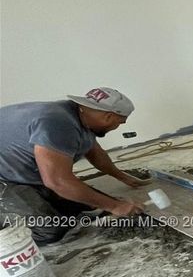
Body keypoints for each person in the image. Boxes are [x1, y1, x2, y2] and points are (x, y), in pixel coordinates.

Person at [0, 87, 147, 244]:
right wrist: (115, 207)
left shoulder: (80, 117)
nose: (118, 126)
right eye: (119, 122)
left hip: (21, 171)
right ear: (108, 116)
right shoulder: (58, 124)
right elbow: (57, 182)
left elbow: (95, 153)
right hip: (4, 179)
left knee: (92, 206)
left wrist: (123, 177)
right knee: (49, 230)